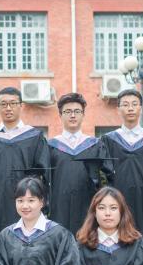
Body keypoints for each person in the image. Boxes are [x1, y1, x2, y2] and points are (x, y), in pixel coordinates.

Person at [0, 87, 50, 238]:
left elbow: (43, 174)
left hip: (28, 207)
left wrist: (39, 205)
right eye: (3, 104)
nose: (8, 108)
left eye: (13, 103)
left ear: (21, 106)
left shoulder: (34, 137)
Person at [100, 89, 143, 241]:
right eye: (125, 105)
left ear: (140, 108)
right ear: (118, 109)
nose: (130, 108)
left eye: (134, 104)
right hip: (118, 202)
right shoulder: (108, 140)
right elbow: (104, 176)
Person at [47, 92, 112, 233]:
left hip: (88, 207)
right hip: (58, 208)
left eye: (77, 111)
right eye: (68, 112)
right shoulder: (50, 146)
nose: (72, 115)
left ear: (83, 115)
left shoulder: (95, 145)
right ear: (60, 115)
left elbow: (106, 178)